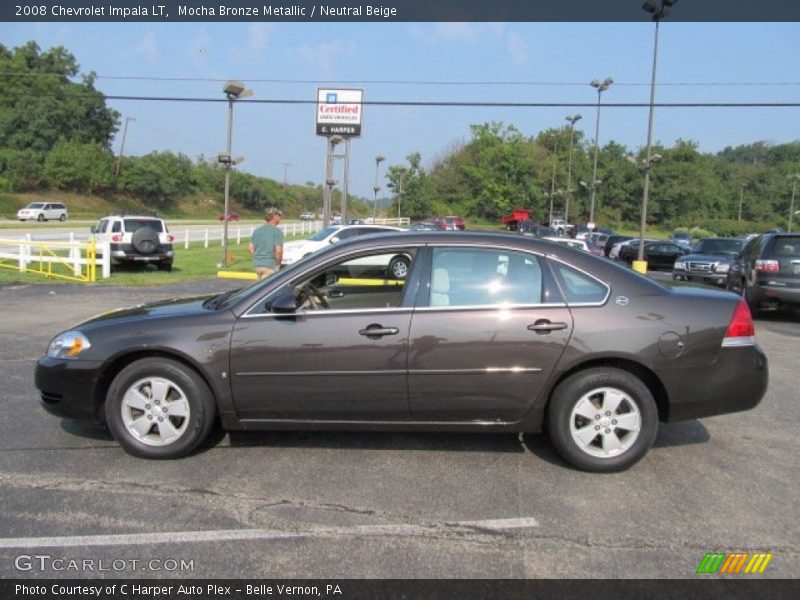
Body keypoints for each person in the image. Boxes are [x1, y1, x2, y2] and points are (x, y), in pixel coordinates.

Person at [248, 207, 284, 278]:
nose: (280, 217)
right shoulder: (277, 231)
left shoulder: (257, 231)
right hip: (269, 266)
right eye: (279, 215)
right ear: (274, 217)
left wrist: (258, 257)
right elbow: (278, 251)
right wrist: (278, 265)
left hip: (257, 265)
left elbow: (250, 248)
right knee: (270, 288)